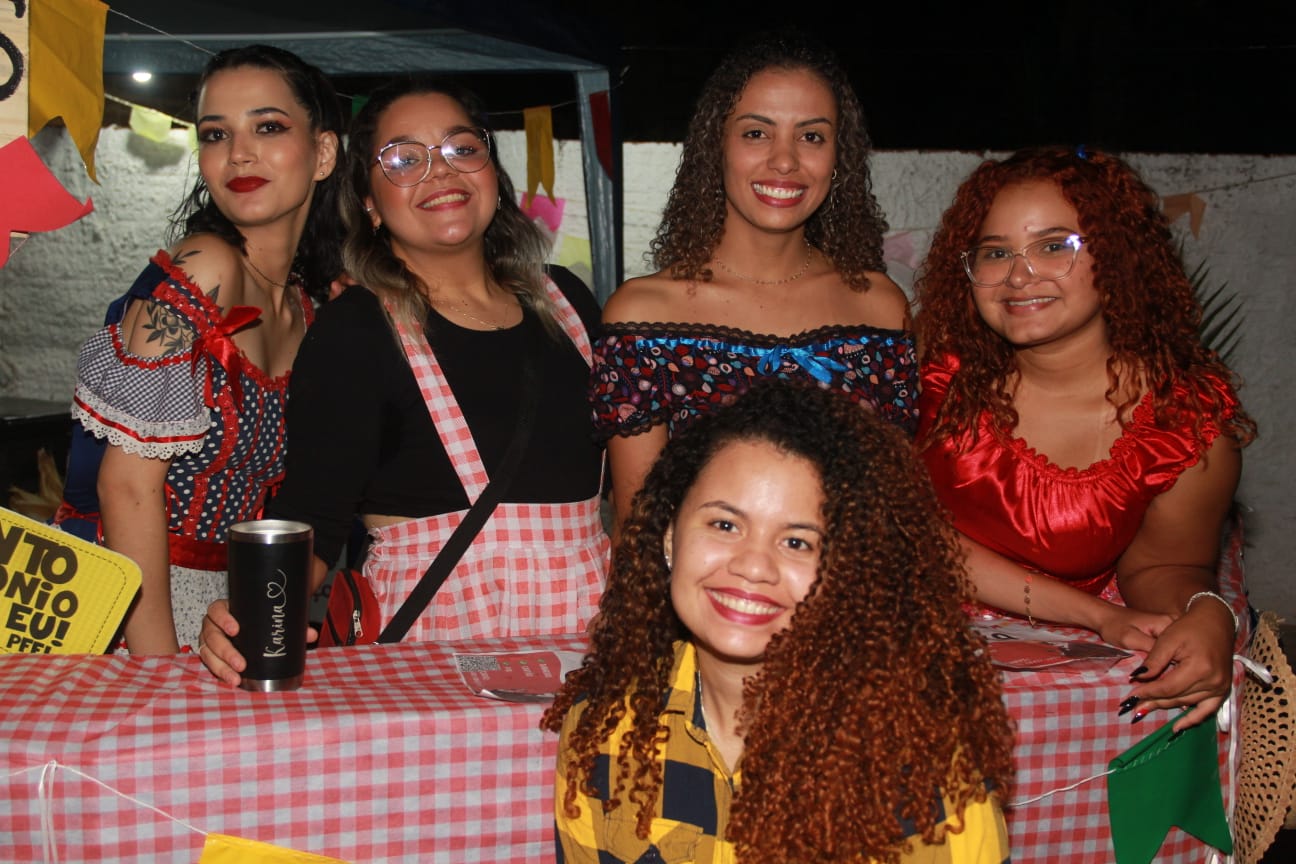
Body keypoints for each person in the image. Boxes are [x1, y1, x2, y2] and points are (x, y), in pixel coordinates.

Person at [199, 77, 608, 685]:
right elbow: (313, 520)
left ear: (493, 173)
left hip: (591, 642)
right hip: (438, 657)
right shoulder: (356, 332)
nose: (440, 171)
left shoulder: (568, 303)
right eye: (403, 159)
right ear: (369, 202)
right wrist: (246, 615)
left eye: (461, 148)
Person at [545, 381, 1015, 864]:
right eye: (724, 524)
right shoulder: (604, 729)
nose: (753, 566)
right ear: (670, 537)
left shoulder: (919, 765)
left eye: (797, 542)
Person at [914, 146, 1256, 731]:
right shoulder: (931, 370)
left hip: (1052, 681)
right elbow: (895, 526)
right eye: (995, 252)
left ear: (1116, 255)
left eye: (1054, 246)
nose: (1018, 276)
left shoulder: (1182, 428)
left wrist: (1204, 613)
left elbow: (1162, 568)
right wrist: (1095, 614)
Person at [54, 45, 344, 653]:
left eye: (268, 127)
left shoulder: (307, 306)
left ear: (323, 153)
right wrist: (159, 672)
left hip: (225, 608)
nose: (239, 153)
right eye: (216, 134)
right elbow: (125, 488)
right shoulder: (203, 267)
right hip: (129, 607)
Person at [592, 31, 918, 533]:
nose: (784, 160)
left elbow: (894, 513)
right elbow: (640, 529)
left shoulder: (879, 308)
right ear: (715, 146)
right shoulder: (643, 317)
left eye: (812, 136)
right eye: (756, 133)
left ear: (840, 157)